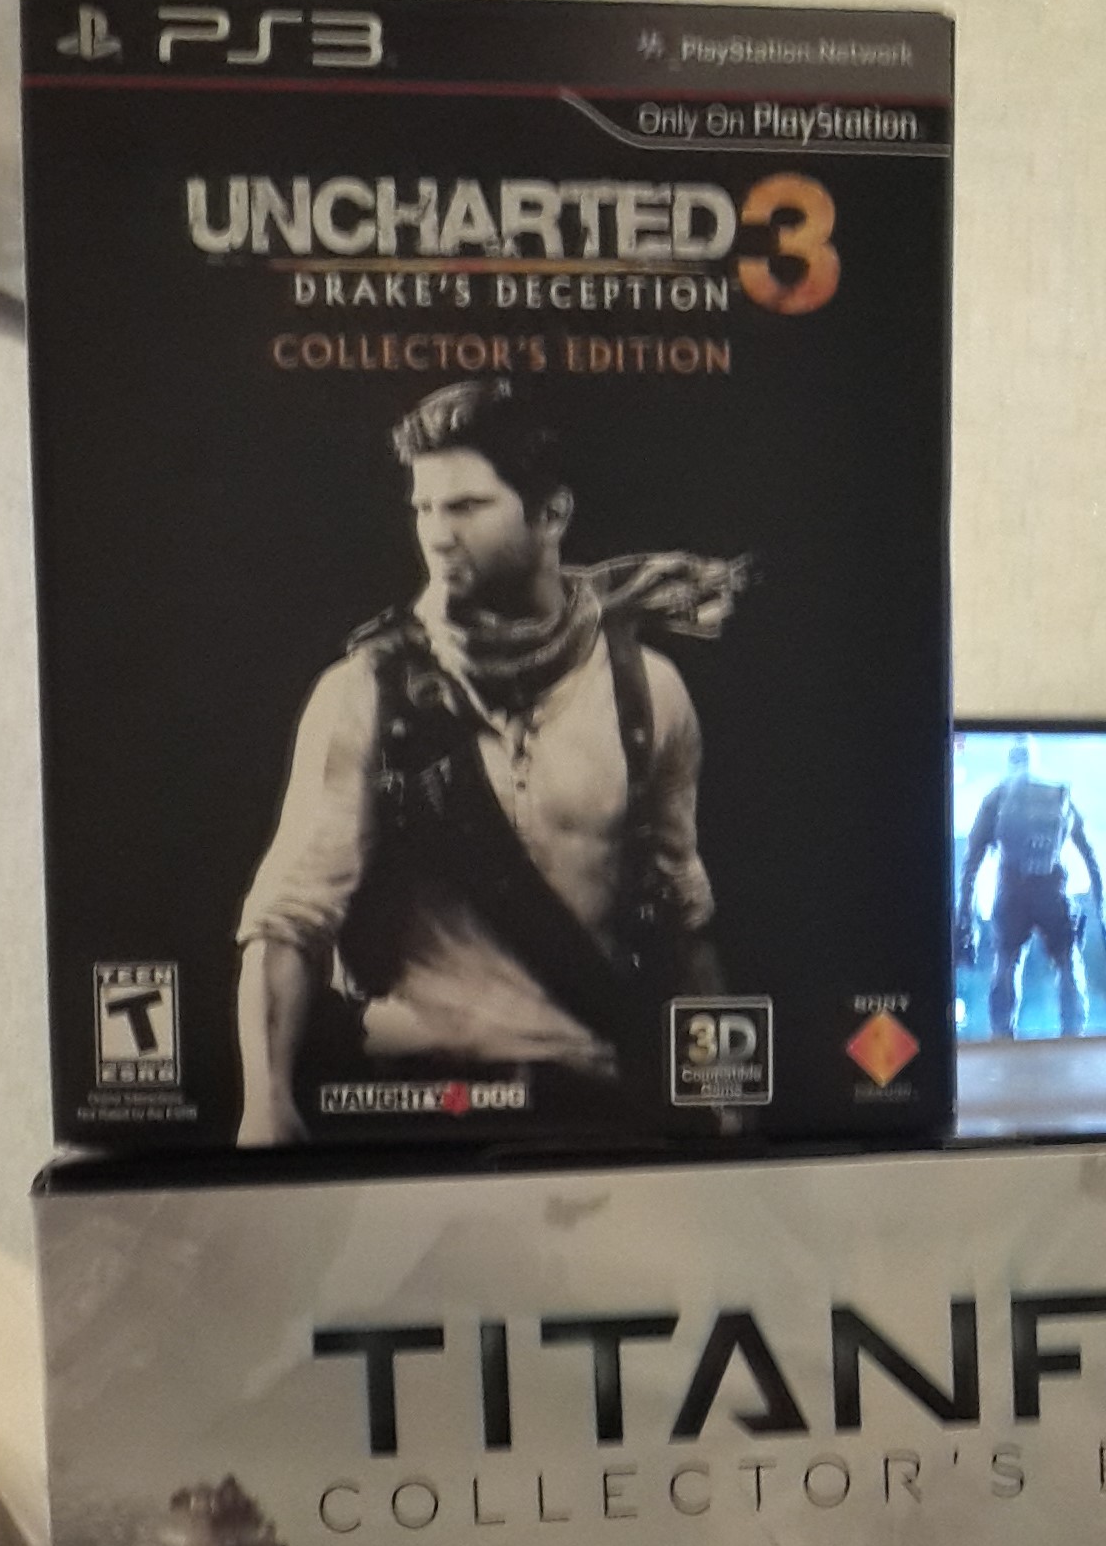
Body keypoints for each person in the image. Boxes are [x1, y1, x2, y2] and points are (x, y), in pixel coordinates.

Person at [236, 376, 744, 1139]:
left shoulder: (647, 694)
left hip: (596, 1111)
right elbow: (288, 920)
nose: (437, 534)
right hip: (416, 1107)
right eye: (424, 509)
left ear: (552, 514)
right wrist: (266, 1104)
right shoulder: (364, 693)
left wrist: (726, 1103)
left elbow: (681, 919)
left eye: (467, 507)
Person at [954, 738, 1106, 1038]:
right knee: (1067, 961)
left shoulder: (997, 796)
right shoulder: (1057, 795)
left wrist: (965, 912)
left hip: (1011, 891)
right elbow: (1090, 855)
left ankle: (1002, 1037)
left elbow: (972, 860)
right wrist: (1101, 910)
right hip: (1053, 890)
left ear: (1010, 760)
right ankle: (1074, 1035)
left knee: (1007, 963)